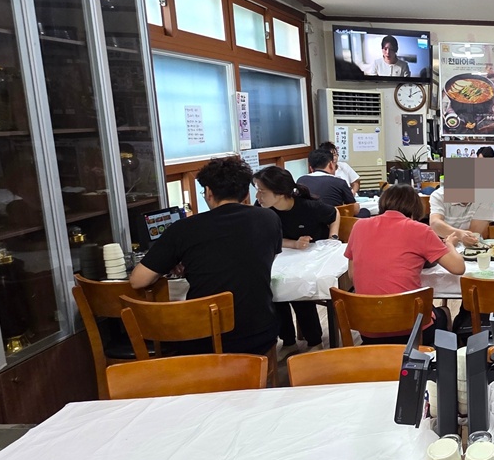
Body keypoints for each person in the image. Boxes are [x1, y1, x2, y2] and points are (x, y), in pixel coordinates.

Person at [129, 156, 282, 355]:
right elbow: (259, 260)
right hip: (260, 334)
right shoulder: (269, 218)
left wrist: (182, 262)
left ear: (209, 192)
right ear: (246, 193)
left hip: (205, 340)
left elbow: (138, 281)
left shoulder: (184, 228)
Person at [345, 184, 465, 344]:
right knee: (444, 312)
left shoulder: (359, 226)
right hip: (413, 330)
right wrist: (449, 244)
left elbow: (352, 275)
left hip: (368, 328)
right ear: (415, 207)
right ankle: (439, 357)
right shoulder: (420, 229)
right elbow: (458, 268)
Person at [253, 166, 340, 350]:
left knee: (298, 288)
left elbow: (334, 214)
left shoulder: (308, 207)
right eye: (257, 190)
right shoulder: (262, 210)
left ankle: (314, 340)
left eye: (262, 191)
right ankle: (288, 341)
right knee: (273, 288)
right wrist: (293, 243)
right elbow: (269, 237)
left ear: (279, 192)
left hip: (312, 257)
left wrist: (333, 238)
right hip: (284, 256)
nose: (258, 196)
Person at [428, 183, 494, 246]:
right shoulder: (439, 195)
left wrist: (456, 236)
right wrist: (459, 235)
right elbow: (435, 223)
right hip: (442, 245)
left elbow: (474, 233)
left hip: (471, 246)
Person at [297, 148, 357, 213]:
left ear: (311, 168)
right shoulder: (340, 182)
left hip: (305, 218)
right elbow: (353, 208)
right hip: (333, 218)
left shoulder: (301, 180)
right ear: (331, 164)